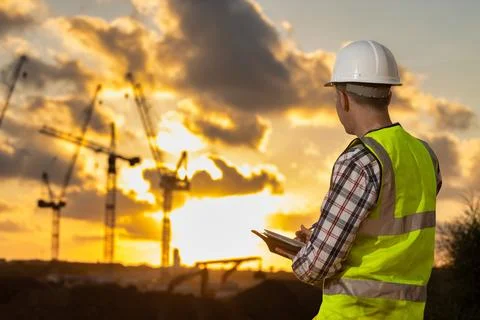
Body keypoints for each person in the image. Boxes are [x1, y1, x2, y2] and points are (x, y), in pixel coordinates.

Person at [282, 40, 442, 319]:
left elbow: (314, 268)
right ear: (388, 96)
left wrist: (307, 252)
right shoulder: (425, 156)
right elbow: (389, 226)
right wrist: (325, 235)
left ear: (343, 97)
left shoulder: (360, 161)